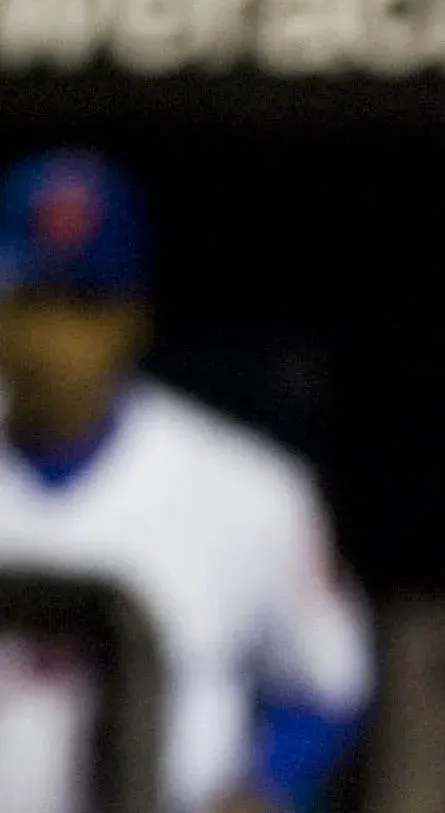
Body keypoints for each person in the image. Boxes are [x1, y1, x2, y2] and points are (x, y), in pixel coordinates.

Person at [0, 151, 373, 813]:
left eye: (84, 304)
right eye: (33, 301)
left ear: (132, 316)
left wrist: (265, 785)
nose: (52, 338)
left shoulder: (250, 492)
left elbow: (328, 684)